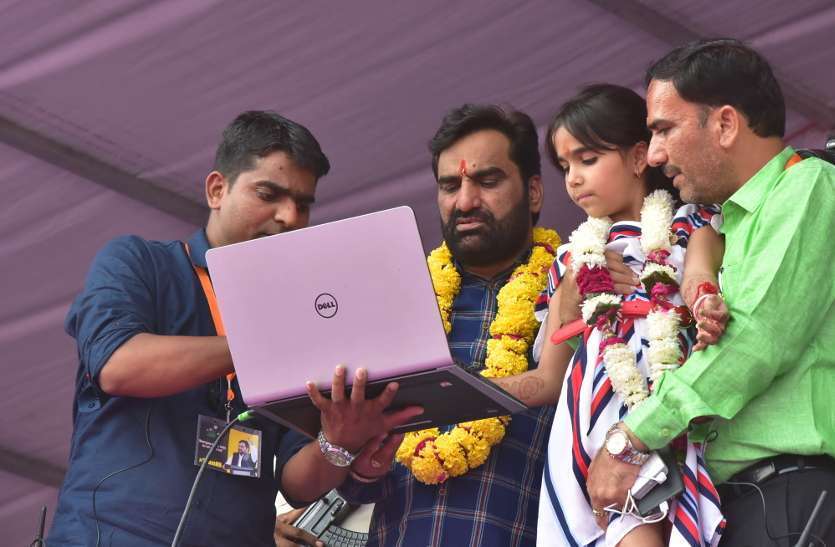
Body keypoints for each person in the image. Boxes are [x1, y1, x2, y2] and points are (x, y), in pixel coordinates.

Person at [47, 111, 421, 547]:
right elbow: (119, 365)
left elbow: (296, 483)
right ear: (216, 190)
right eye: (269, 194)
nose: (289, 216)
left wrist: (339, 443)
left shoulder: (298, 313)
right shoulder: (140, 262)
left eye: (303, 204)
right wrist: (264, 343)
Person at [585, 39, 835, 547]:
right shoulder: (715, 226)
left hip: (791, 494)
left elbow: (756, 339)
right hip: (732, 505)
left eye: (664, 129)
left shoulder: (807, 185)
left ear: (724, 124)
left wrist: (631, 439)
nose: (655, 153)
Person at [337, 104, 561, 546]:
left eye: (487, 181)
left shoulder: (572, 293)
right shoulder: (398, 303)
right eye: (450, 185)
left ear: (534, 192)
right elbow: (358, 487)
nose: (465, 201)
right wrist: (360, 465)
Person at [534, 84, 727, 547]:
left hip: (669, 394)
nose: (573, 179)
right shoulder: (572, 257)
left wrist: (704, 302)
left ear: (640, 157)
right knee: (623, 527)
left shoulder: (691, 223)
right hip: (600, 404)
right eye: (564, 166)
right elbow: (548, 365)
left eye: (587, 159)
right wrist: (572, 293)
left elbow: (700, 279)